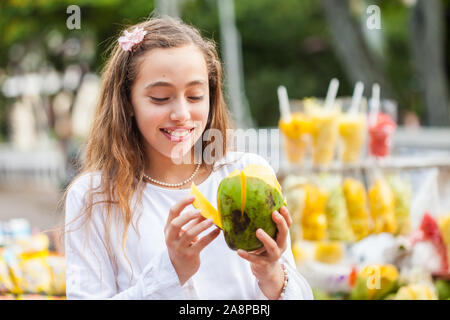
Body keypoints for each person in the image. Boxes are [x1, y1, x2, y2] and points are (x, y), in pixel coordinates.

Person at [64, 16, 313, 300]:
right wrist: (171, 271)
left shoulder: (247, 174)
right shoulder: (93, 197)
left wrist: (271, 273)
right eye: (159, 98)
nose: (181, 114)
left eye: (195, 96)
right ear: (127, 102)